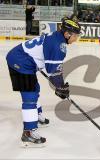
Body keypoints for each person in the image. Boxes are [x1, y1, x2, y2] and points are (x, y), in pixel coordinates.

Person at [6, 17, 81, 147]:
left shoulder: (57, 37)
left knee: (35, 88)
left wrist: (60, 86)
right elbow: (54, 72)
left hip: (24, 59)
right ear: (67, 34)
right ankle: (28, 133)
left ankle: (36, 115)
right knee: (30, 96)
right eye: (75, 36)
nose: (76, 39)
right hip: (19, 61)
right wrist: (61, 87)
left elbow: (51, 67)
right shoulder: (58, 45)